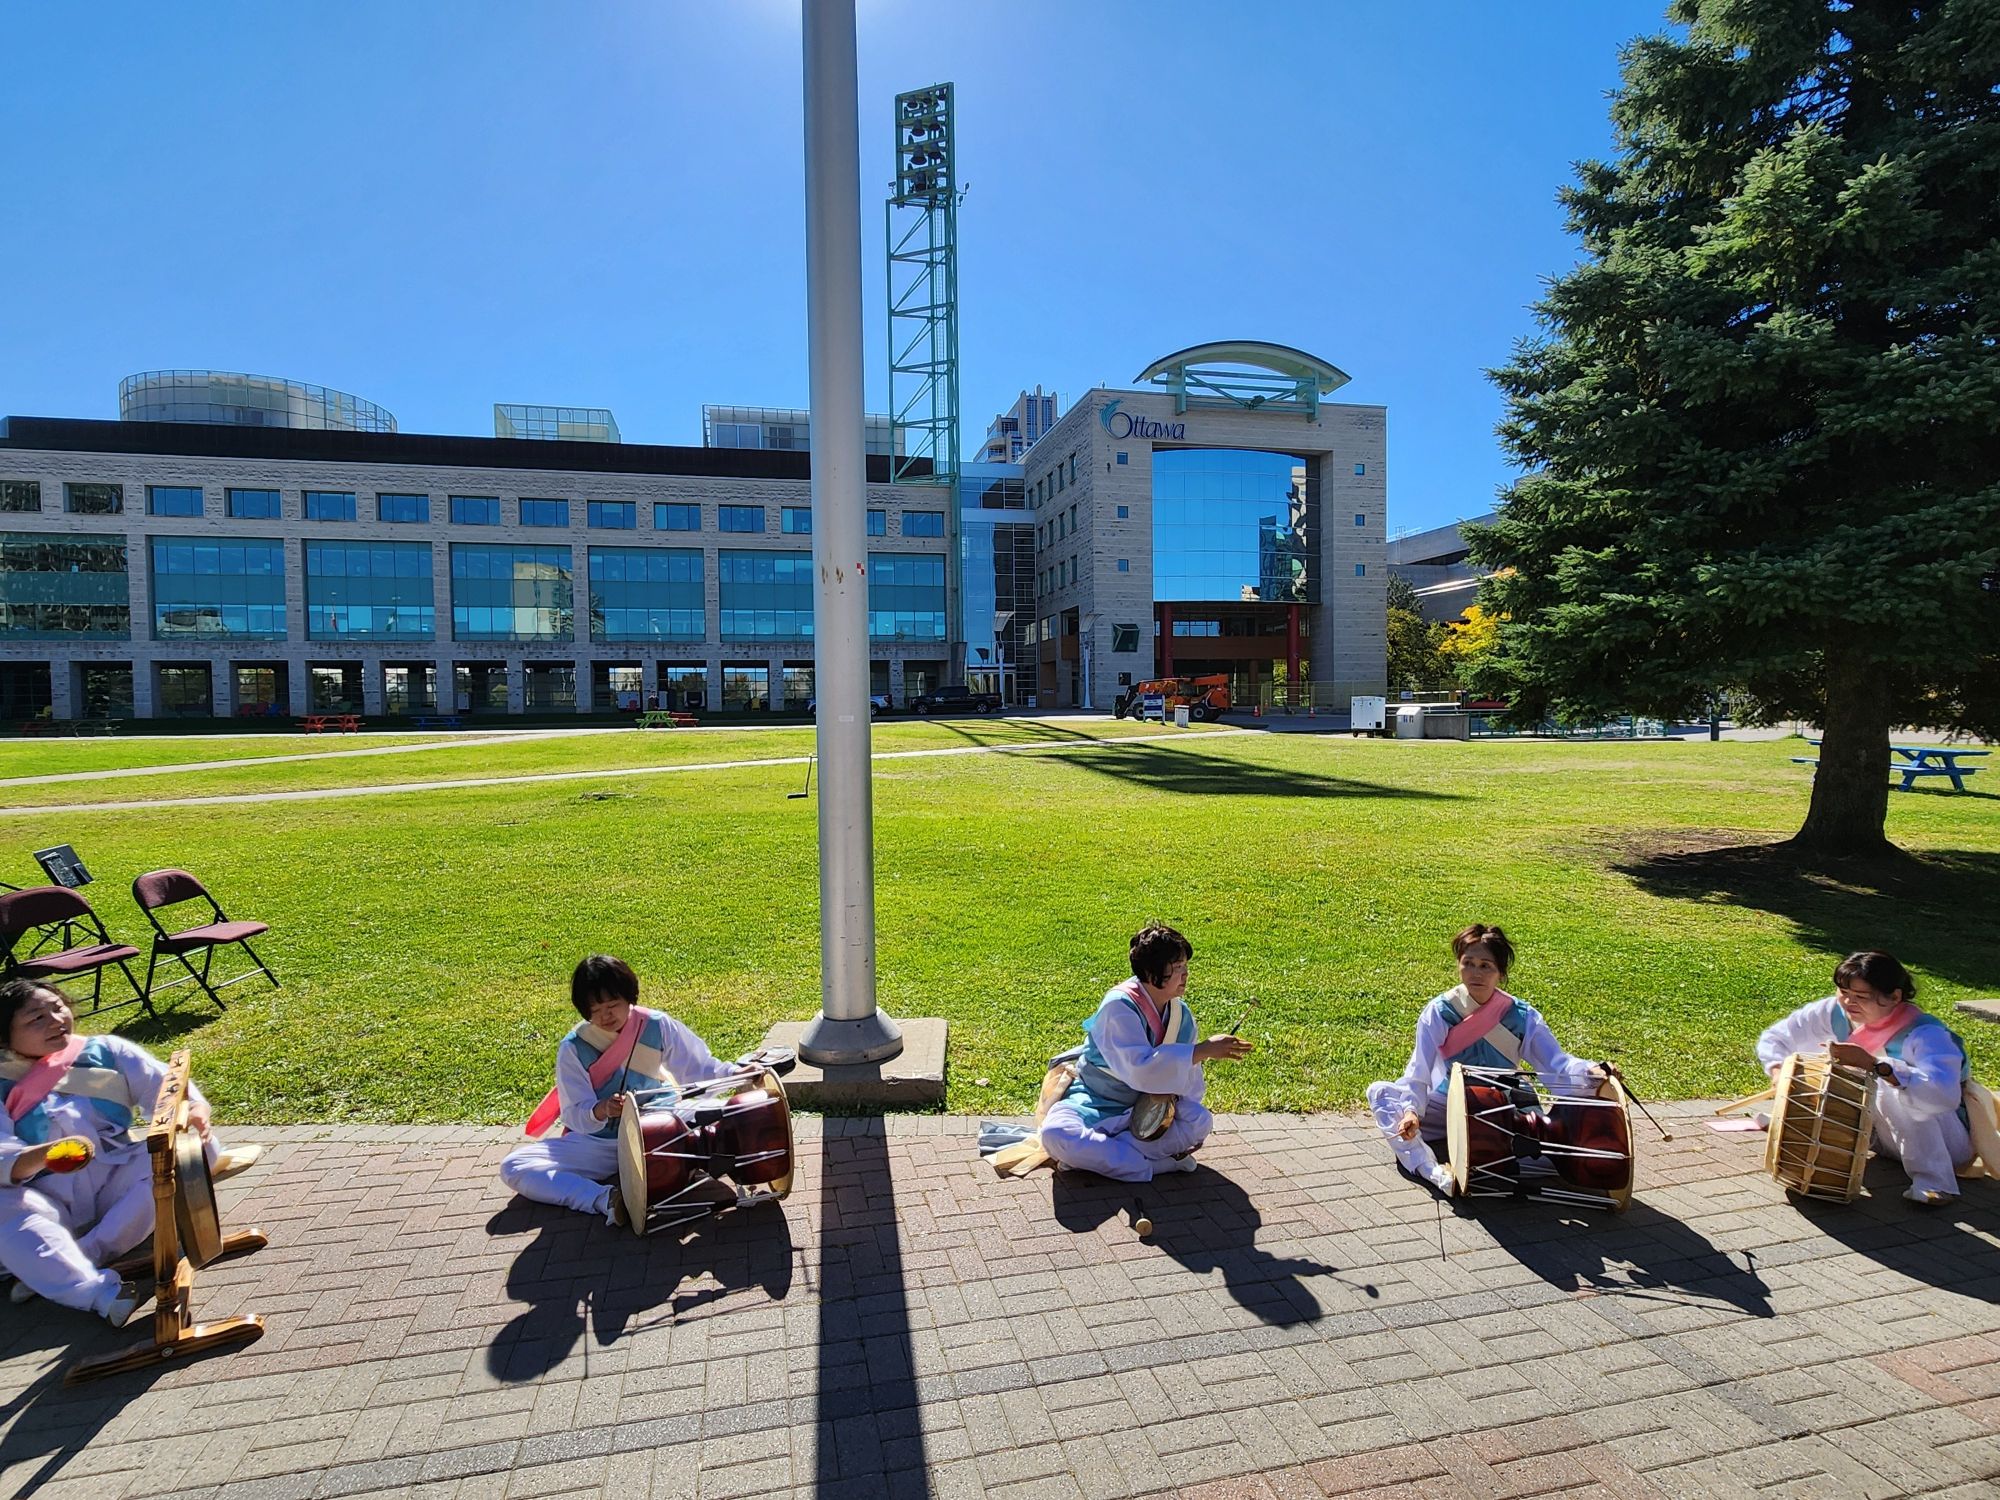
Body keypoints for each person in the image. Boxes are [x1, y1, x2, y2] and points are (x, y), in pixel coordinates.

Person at [0, 977, 261, 1324]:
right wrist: (46, 1154)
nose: (56, 1020)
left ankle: (78, 1257)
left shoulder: (105, 1052)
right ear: (5, 1037)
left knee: (194, 1151)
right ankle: (96, 1292)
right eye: (37, 1018)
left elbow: (166, 1089)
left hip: (115, 1176)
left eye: (58, 1007)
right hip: (49, 1199)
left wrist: (195, 1110)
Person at [1366, 923, 1610, 1196]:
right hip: (1446, 1106)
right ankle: (1431, 1170)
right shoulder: (1440, 1011)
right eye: (1468, 963)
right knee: (1381, 1094)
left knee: (1549, 1156)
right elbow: (1418, 1069)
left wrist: (1591, 1071)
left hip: (1502, 1110)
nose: (1476, 973)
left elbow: (1556, 1064)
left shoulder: (1522, 1016)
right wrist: (1412, 1110)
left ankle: (1488, 1159)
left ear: (1501, 973)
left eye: (1486, 966)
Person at [499, 954, 736, 1224]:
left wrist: (735, 1074)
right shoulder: (573, 1048)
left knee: (731, 1113)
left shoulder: (656, 1024)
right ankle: (606, 1199)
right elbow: (574, 1112)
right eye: (596, 1009)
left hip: (663, 1125)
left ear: (629, 997)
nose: (605, 1016)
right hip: (602, 1143)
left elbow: (700, 1068)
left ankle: (688, 1161)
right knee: (515, 1166)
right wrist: (601, 1110)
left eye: (613, 1005)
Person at [1037, 922, 1253, 1183]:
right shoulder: (1119, 1005)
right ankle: (1158, 1166)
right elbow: (1140, 1069)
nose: (1185, 974)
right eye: (1177, 968)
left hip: (1148, 1111)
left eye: (1186, 966)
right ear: (1152, 973)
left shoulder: (1180, 1014)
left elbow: (1189, 1080)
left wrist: (1179, 1099)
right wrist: (1202, 1050)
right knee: (1056, 1134)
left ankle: (1098, 1158)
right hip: (1097, 1100)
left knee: (1199, 1122)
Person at [1757, 951, 1975, 1206]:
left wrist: (1877, 1066)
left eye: (1861, 996)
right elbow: (1777, 1037)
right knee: (1822, 1060)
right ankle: (1806, 1127)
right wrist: (1778, 1071)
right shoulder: (1833, 1011)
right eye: (1843, 992)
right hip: (1877, 1137)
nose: (1848, 1002)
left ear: (1895, 997)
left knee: (1886, 1084)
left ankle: (1935, 1182)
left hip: (1946, 1142)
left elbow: (1943, 1097)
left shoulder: (1926, 1034)